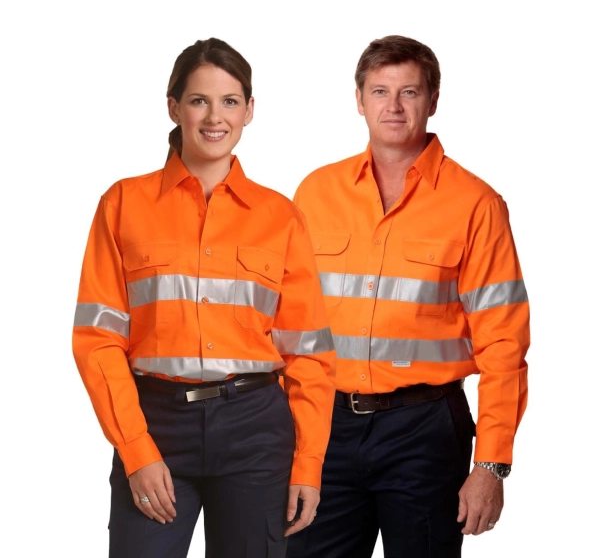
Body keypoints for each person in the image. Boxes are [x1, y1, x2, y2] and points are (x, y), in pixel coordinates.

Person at [72, 37, 336, 558]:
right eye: (199, 100)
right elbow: (97, 340)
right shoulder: (122, 204)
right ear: (174, 108)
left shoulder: (281, 217)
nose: (215, 117)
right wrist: (136, 449)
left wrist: (308, 464)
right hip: (155, 424)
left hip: (256, 433)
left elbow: (308, 354)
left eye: (230, 101)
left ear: (249, 110)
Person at [285, 35, 530, 558]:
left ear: (433, 100)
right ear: (359, 100)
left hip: (425, 431)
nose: (393, 106)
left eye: (409, 92)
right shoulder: (315, 193)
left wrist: (490, 465)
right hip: (323, 430)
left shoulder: (476, 204)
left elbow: (504, 344)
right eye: (380, 91)